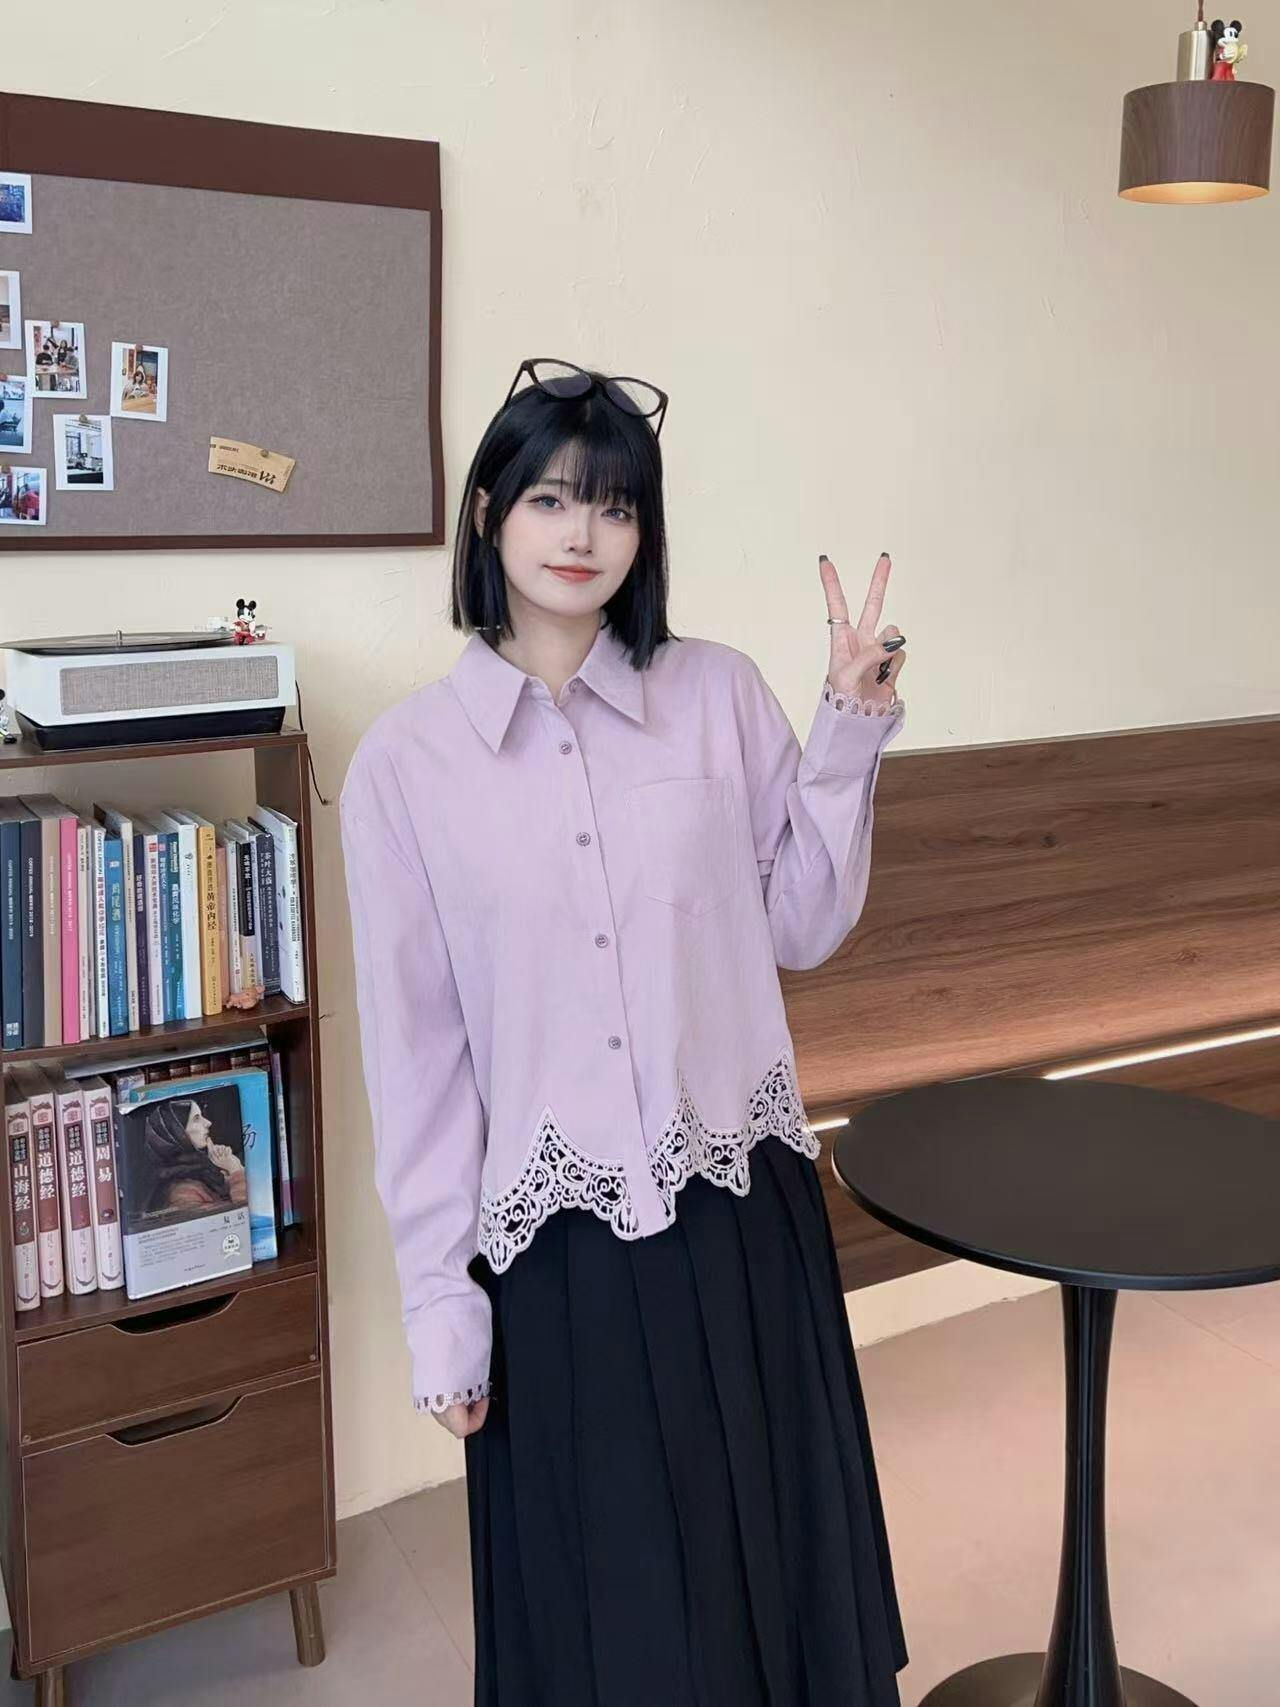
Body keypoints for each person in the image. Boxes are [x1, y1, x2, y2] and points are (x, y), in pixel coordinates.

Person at [340, 359, 910, 1706]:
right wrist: (440, 1306)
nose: (582, 533)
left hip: (735, 1206)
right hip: (557, 1252)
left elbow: (801, 924)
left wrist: (847, 728)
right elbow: (418, 1063)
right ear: (490, 514)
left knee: (775, 1581)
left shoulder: (716, 695)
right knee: (619, 1619)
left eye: (614, 505)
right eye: (550, 498)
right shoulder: (404, 769)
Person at [140, 1097, 248, 1214]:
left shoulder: (205, 1171)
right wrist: (235, 1170)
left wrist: (232, 1169)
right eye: (196, 1118)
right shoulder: (181, 1192)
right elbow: (243, 1213)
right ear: (177, 1132)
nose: (208, 1123)